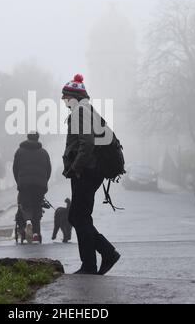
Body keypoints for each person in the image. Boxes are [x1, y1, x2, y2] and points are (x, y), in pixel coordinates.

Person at [62, 74, 121, 275]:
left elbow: (87, 143)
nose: (63, 100)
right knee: (78, 216)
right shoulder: (86, 110)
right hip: (91, 170)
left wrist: (76, 168)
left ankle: (94, 262)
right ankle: (100, 256)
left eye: (65, 96)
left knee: (79, 217)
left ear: (73, 97)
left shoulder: (80, 111)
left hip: (86, 171)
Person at [13, 132, 52, 243]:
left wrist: (19, 182)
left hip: (24, 184)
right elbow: (48, 169)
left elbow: (15, 169)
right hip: (40, 185)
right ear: (38, 138)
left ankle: (28, 222)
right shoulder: (44, 153)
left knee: (26, 206)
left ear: (28, 138)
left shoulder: (19, 152)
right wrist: (44, 182)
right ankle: (35, 233)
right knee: (37, 207)